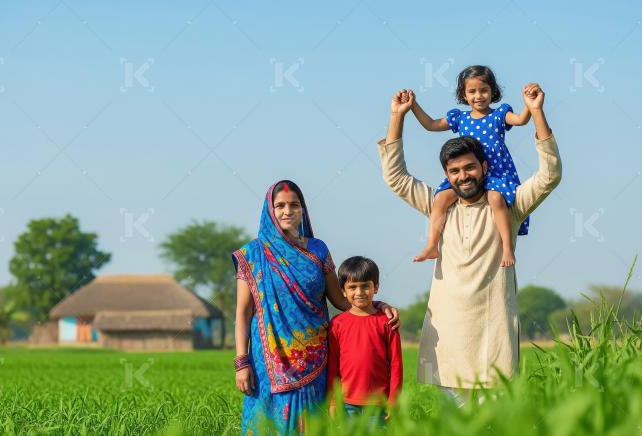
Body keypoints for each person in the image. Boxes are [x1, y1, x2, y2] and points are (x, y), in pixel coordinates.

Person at [377, 84, 561, 402]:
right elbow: (396, 177)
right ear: (447, 175)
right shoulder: (440, 204)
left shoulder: (509, 205)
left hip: (495, 340)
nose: (464, 176)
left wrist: (537, 112)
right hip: (447, 341)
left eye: (470, 167)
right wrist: (397, 118)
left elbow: (550, 175)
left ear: (485, 167)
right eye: (455, 171)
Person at [232, 180, 399, 434]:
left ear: (303, 210)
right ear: (270, 211)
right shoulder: (253, 254)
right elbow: (243, 313)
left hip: (315, 358)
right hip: (269, 361)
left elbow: (340, 300)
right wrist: (242, 363)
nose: (288, 211)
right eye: (280, 206)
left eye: (294, 205)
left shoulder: (318, 250)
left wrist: (377, 305)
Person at [409, 65, 535, 266]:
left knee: (495, 199)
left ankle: (508, 249)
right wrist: (413, 105)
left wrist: (530, 104)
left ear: (493, 91)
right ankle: (432, 245)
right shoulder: (461, 118)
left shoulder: (499, 115)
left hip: (495, 173)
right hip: (468, 174)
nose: (478, 96)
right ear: (463, 94)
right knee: (441, 198)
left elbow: (521, 120)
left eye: (484, 90)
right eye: (472, 91)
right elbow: (431, 125)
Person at [326, 256, 403, 426]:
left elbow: (396, 365)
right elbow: (332, 366)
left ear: (376, 287)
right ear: (343, 291)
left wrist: (394, 401)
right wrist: (332, 401)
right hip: (346, 405)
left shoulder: (387, 322)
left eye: (365, 286)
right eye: (352, 287)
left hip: (378, 405)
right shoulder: (337, 324)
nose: (359, 293)